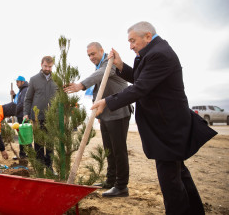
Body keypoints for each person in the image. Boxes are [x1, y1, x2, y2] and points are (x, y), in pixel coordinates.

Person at [91, 21, 217, 214]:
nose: (130, 45)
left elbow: (141, 88)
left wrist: (107, 101)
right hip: (168, 125)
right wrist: (120, 65)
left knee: (170, 180)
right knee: (179, 173)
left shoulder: (159, 54)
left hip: (168, 127)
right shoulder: (153, 53)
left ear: (148, 36)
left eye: (133, 41)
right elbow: (142, 79)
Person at [64, 42, 131, 196]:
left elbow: (100, 75)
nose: (91, 57)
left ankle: (121, 186)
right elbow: (99, 92)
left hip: (119, 113)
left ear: (102, 50)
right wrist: (99, 115)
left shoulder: (110, 62)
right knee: (109, 150)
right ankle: (110, 180)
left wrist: (81, 85)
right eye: (88, 55)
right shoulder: (99, 66)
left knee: (119, 150)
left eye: (93, 54)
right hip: (106, 114)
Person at [23, 56, 57, 171]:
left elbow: (61, 98)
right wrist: (26, 113)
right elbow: (28, 99)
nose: (47, 68)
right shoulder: (34, 79)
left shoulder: (57, 79)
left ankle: (49, 167)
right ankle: (39, 168)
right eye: (45, 66)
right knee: (38, 143)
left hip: (52, 118)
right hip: (37, 117)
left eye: (50, 66)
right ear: (41, 65)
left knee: (50, 144)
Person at [10, 75, 30, 159]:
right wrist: (14, 95)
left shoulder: (25, 90)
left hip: (23, 115)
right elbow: (18, 100)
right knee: (22, 135)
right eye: (16, 82)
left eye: (18, 82)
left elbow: (22, 103)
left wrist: (13, 111)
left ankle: (24, 153)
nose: (16, 83)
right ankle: (23, 153)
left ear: (22, 82)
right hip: (20, 115)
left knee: (23, 135)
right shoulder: (21, 90)